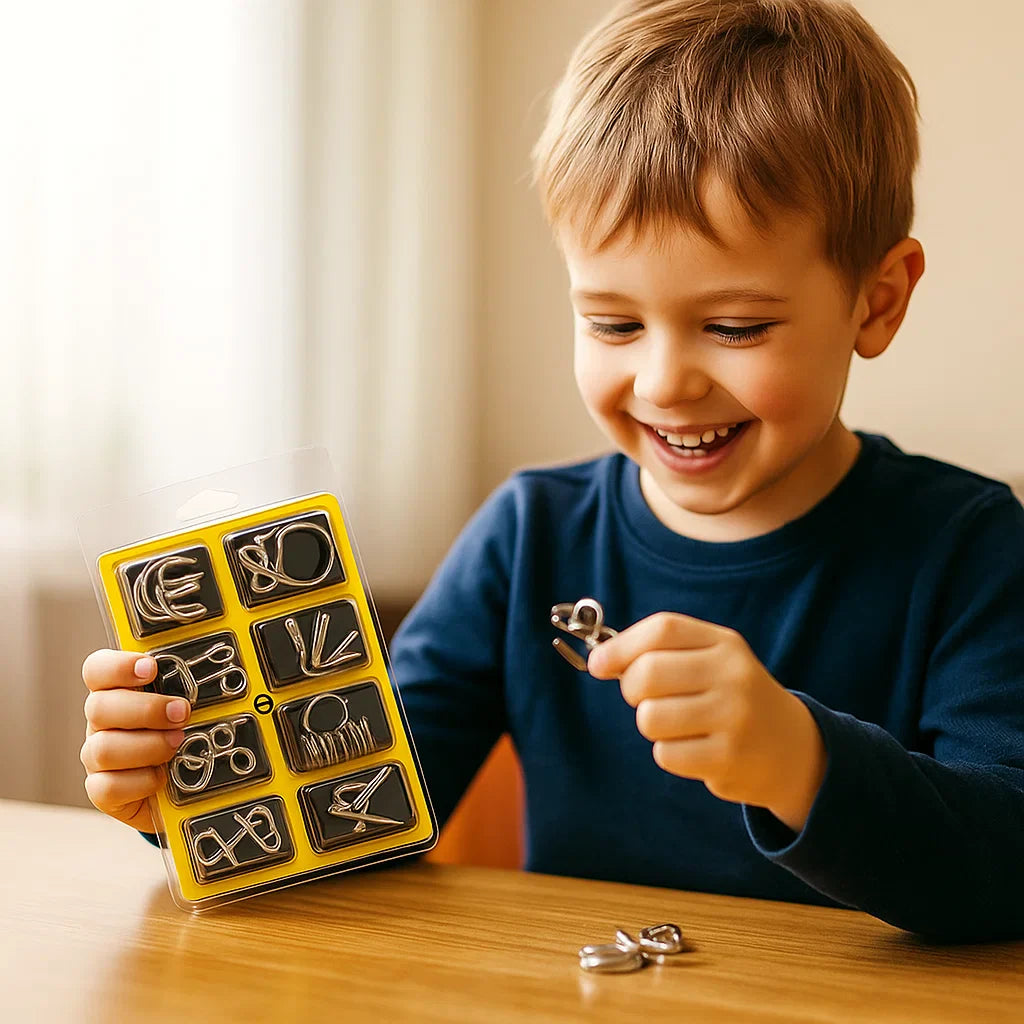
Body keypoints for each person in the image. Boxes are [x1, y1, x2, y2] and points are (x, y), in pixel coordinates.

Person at [79, 0, 1024, 942]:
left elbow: (1008, 863)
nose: (664, 381)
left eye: (736, 327)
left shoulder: (973, 549)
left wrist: (804, 765)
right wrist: (194, 789)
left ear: (878, 301)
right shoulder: (528, 533)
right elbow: (362, 815)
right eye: (612, 323)